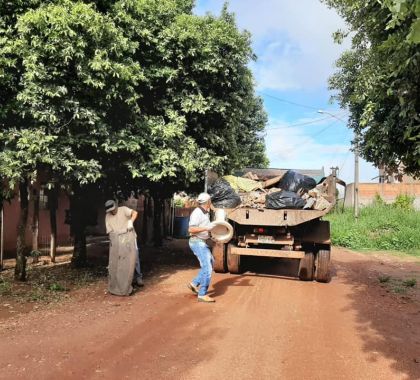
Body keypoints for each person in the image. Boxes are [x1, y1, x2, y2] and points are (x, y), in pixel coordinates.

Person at [105, 200, 144, 287]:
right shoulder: (107, 216)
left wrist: (130, 221)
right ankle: (124, 279)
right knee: (120, 259)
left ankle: (138, 277)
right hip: (118, 239)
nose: (112, 211)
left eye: (113, 209)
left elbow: (135, 213)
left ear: (115, 206)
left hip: (129, 237)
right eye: (110, 210)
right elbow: (110, 231)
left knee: (135, 257)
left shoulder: (123, 209)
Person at [187, 192, 216, 303]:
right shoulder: (197, 213)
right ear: (208, 202)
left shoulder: (205, 213)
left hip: (201, 241)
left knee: (211, 263)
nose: (211, 203)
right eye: (210, 201)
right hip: (197, 242)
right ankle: (202, 294)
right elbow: (191, 229)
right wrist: (207, 228)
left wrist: (212, 236)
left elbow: (205, 229)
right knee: (208, 267)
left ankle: (194, 283)